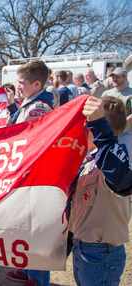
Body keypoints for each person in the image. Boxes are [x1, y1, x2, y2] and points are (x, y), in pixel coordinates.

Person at [69, 96, 132, 286]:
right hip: (84, 245)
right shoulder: (92, 157)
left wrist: (97, 124)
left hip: (102, 252)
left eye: (85, 126)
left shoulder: (115, 159)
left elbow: (119, 178)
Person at [5, 60, 53, 286]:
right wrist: (12, 107)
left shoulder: (39, 107)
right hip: (28, 173)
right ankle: (28, 271)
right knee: (25, 225)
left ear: (36, 84)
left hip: (36, 175)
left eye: (21, 82)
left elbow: (31, 141)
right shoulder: (29, 103)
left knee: (35, 228)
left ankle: (37, 278)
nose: (18, 85)